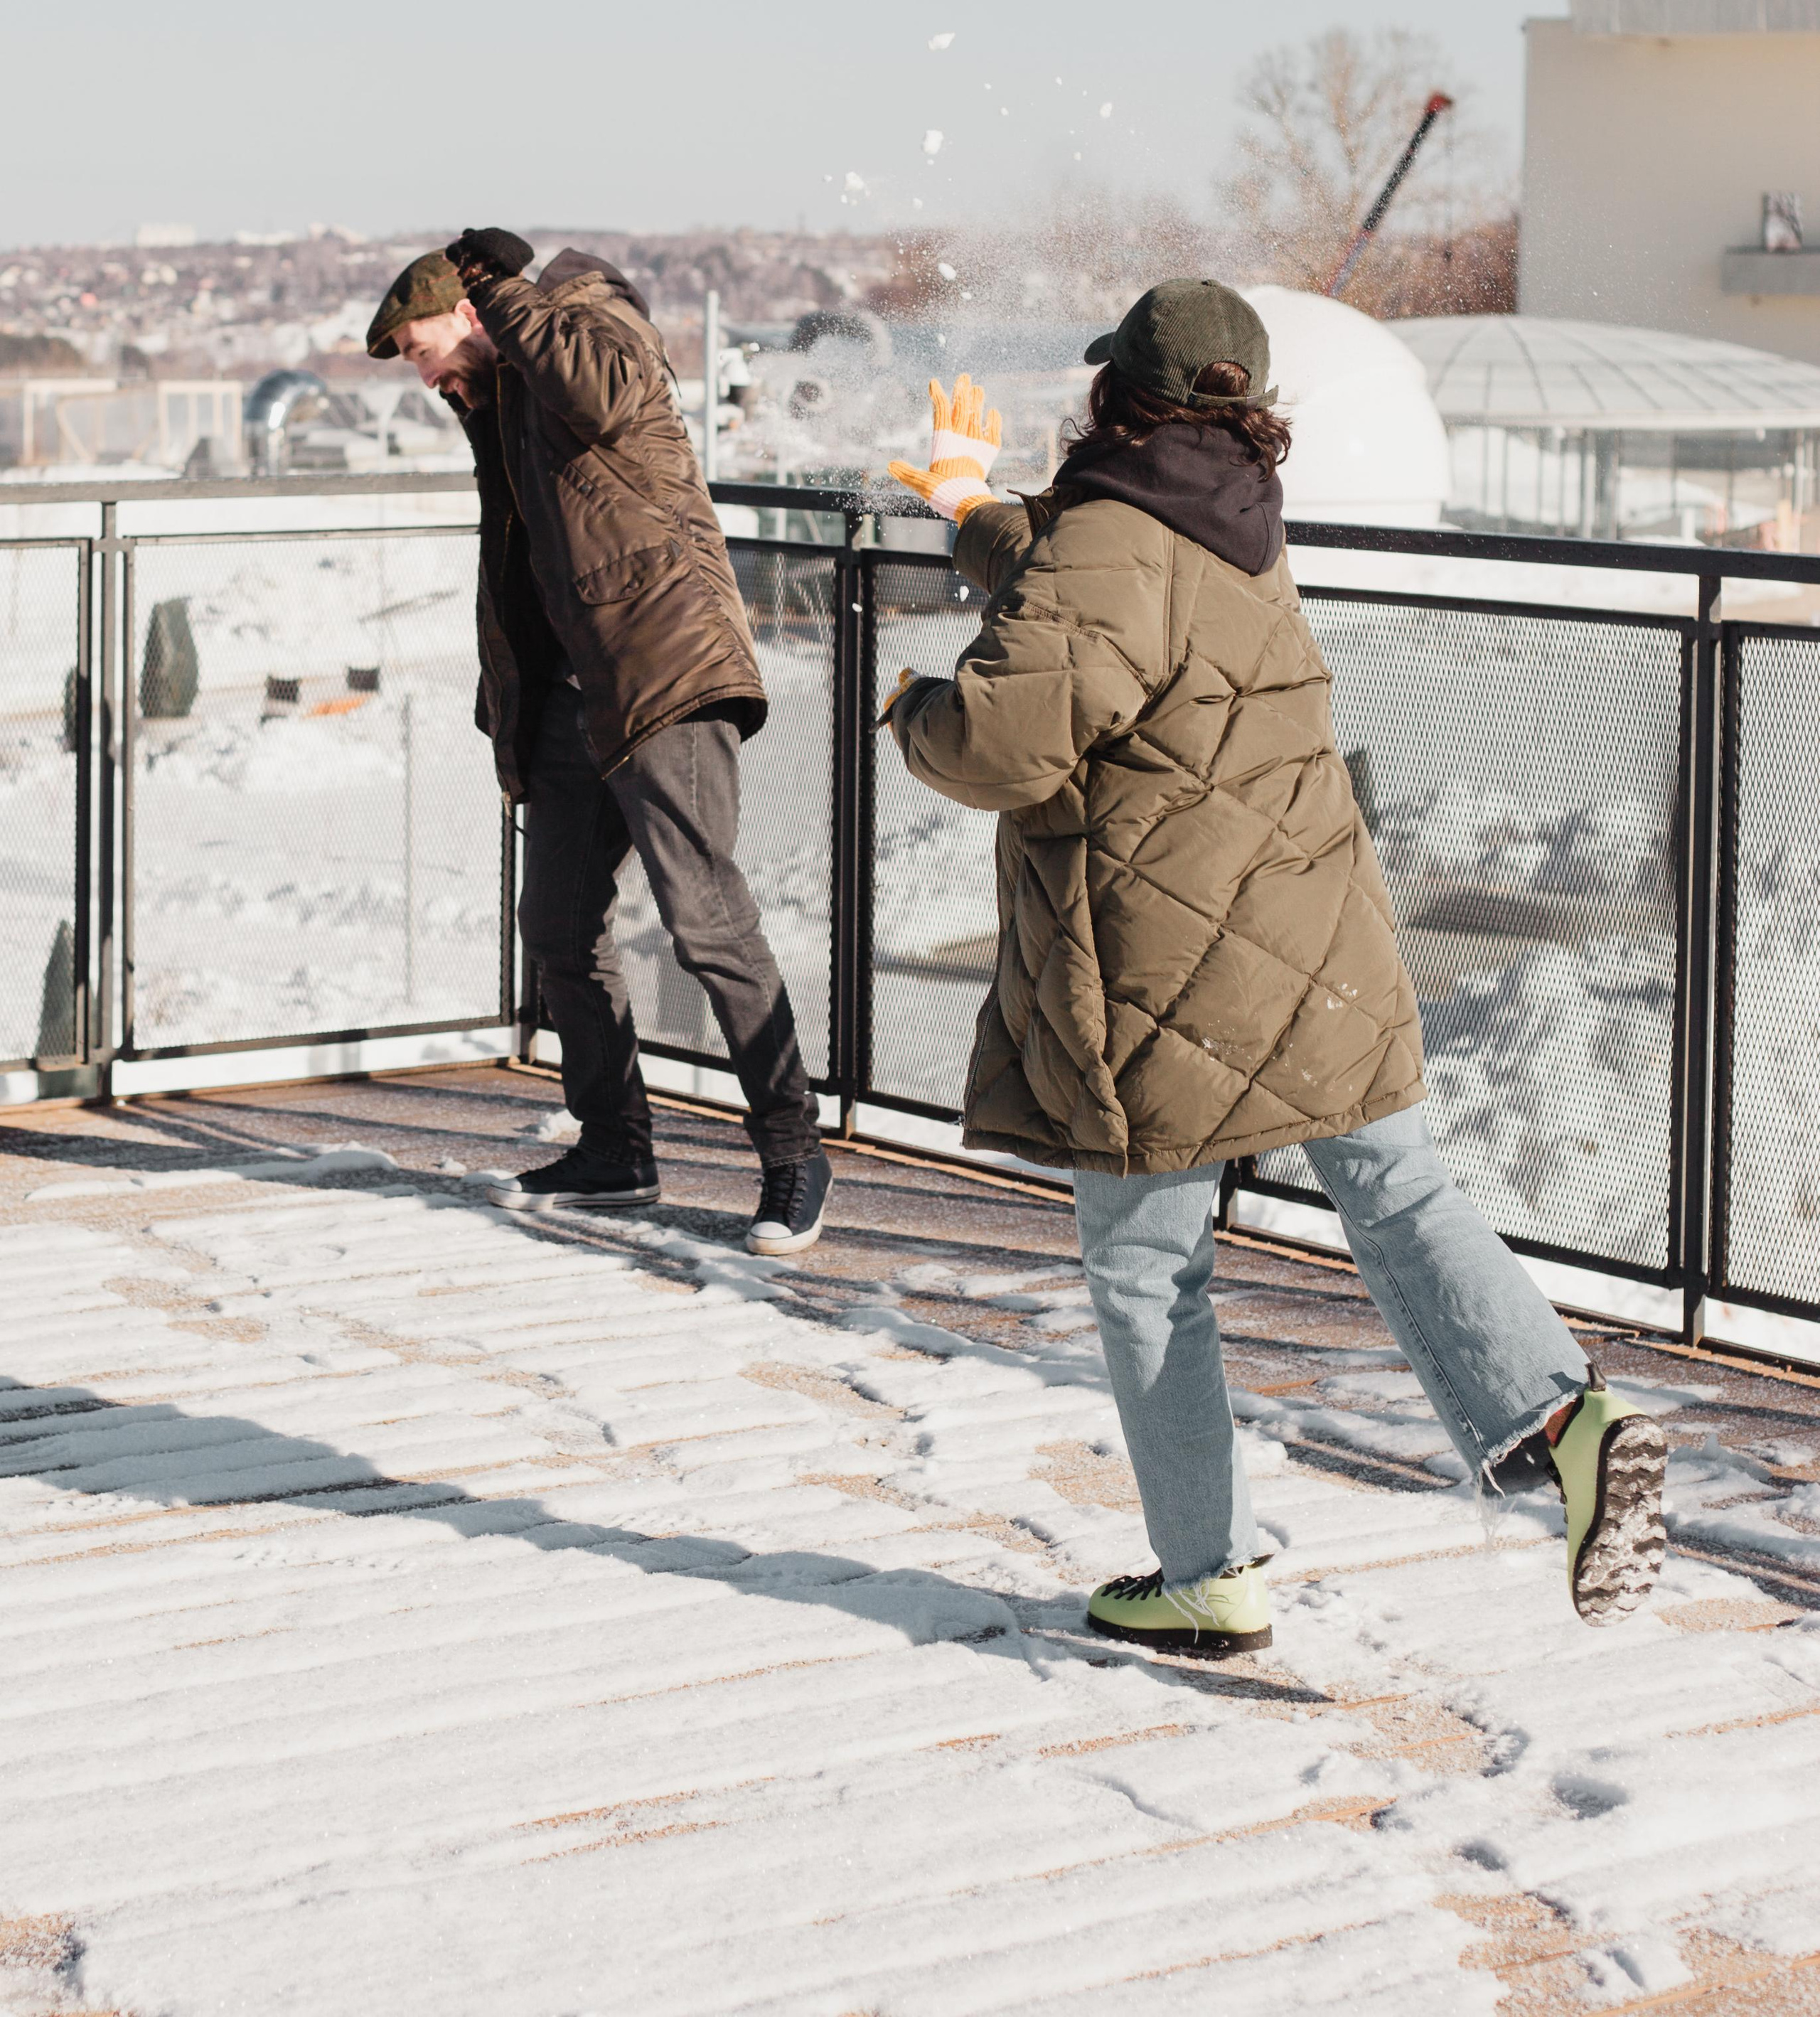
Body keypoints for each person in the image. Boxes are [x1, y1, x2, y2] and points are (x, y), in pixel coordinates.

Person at [883, 284, 1666, 1655]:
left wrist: (913, 708)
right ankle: (1564, 1411)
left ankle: (1203, 1572)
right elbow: (1099, 599)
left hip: (1164, 963)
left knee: (1147, 1270)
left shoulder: (1116, 530)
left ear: (1118, 398)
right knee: (1399, 1186)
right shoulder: (1230, 512)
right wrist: (972, 509)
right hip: (1312, 928)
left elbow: (1008, 737)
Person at [366, 228, 831, 1256]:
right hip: (577, 695)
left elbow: (612, 395)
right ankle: (616, 1150)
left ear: (468, 307)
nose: (421, 372)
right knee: (562, 926)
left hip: (663, 668)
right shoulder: (506, 398)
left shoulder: (586, 313)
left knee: (704, 920)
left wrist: (507, 300)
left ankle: (795, 1152)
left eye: (419, 346)